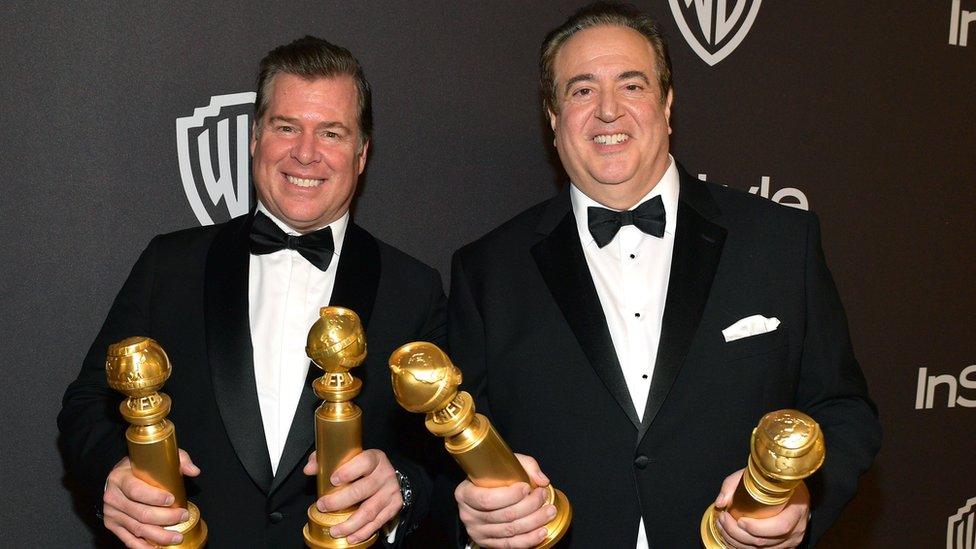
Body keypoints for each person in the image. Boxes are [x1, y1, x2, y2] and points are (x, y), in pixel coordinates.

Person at [447, 3, 882, 548]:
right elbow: (450, 454)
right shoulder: (487, 270)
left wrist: (803, 499)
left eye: (632, 85)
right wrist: (471, 510)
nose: (608, 111)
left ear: (667, 104)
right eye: (581, 90)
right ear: (553, 117)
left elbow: (844, 411)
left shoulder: (780, 243)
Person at [58, 36, 445, 548]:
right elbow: (86, 405)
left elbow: (444, 459)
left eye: (331, 132)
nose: (305, 154)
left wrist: (400, 487)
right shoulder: (169, 265)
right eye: (287, 127)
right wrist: (112, 473)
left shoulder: (414, 288)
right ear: (255, 137)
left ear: (361, 153)